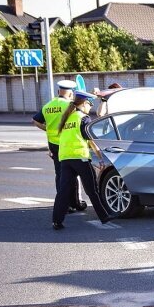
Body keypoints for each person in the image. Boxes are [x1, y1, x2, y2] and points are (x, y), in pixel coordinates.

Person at [51, 90, 112, 230]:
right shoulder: (83, 118)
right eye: (90, 104)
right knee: (92, 190)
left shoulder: (67, 117)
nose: (90, 107)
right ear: (84, 103)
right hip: (80, 157)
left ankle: (56, 221)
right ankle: (104, 216)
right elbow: (90, 140)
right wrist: (101, 157)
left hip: (65, 158)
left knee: (63, 191)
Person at [32, 79, 86, 213]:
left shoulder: (48, 106)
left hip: (54, 146)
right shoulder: (70, 106)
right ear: (71, 93)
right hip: (68, 144)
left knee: (60, 175)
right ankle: (75, 203)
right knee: (73, 175)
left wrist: (47, 128)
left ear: (58, 92)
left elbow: (35, 120)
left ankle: (64, 204)